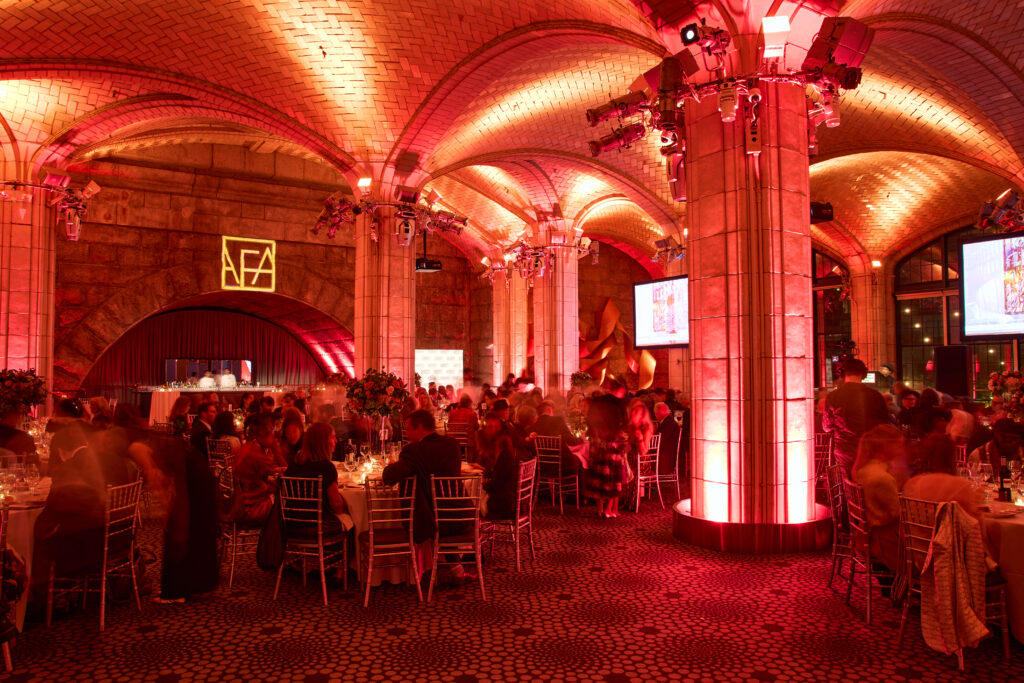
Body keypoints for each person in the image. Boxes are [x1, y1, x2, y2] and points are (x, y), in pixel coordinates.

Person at [382, 410, 463, 545]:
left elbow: (389, 477)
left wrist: (393, 465)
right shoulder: (452, 444)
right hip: (461, 517)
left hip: (432, 523)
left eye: (408, 429)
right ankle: (447, 556)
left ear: (419, 428)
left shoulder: (414, 450)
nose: (406, 434)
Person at [822, 358, 892, 474]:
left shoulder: (833, 396)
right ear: (863, 375)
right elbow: (884, 424)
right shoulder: (875, 396)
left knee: (847, 482)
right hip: (870, 450)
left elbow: (827, 427)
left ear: (843, 374)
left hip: (844, 451)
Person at [852, 424, 906, 572]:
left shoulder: (864, 470)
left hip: (867, 536)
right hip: (886, 543)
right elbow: (897, 514)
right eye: (899, 445)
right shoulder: (882, 478)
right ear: (886, 447)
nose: (902, 450)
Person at [283, 423, 348, 535]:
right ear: (323, 442)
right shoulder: (326, 467)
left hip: (291, 524)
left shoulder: (294, 464)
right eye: (332, 437)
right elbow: (337, 506)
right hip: (318, 526)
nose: (336, 441)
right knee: (350, 522)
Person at [231, 417, 286, 525]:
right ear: (261, 435)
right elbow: (282, 470)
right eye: (272, 433)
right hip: (252, 508)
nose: (274, 437)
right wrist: (275, 448)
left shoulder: (249, 447)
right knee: (286, 502)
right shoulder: (255, 454)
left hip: (240, 502)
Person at [584, 394, 629, 519]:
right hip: (612, 447)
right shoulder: (616, 408)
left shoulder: (597, 410)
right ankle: (608, 509)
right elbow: (621, 428)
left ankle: (601, 509)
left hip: (601, 448)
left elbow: (592, 431)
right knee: (612, 480)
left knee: (601, 480)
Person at [533, 400, 582, 476]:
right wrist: (581, 439)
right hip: (563, 466)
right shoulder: (558, 420)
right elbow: (571, 442)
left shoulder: (534, 424)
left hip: (542, 467)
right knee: (581, 460)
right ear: (549, 409)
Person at [653, 402, 681, 476]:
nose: (655, 415)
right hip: (668, 459)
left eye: (655, 413)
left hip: (664, 462)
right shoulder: (669, 422)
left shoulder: (667, 424)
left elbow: (659, 442)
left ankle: (641, 479)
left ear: (659, 414)